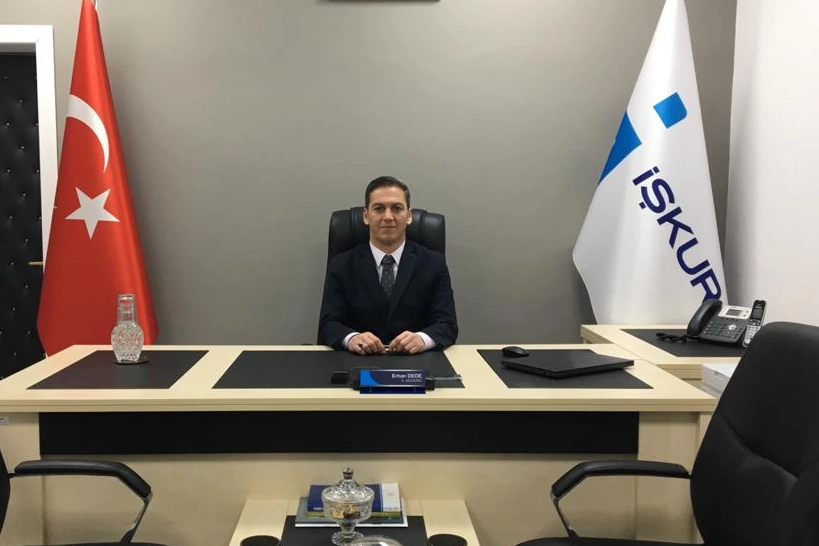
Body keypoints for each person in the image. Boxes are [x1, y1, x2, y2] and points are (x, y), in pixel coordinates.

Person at [318, 176, 458, 354]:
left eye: (397, 208)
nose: (388, 217)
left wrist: (422, 339)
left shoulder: (433, 263)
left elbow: (447, 324)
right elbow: (328, 324)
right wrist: (351, 338)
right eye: (379, 208)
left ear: (408, 215)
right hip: (358, 360)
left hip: (416, 361)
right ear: (366, 216)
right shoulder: (341, 265)